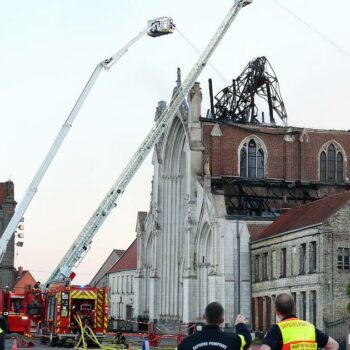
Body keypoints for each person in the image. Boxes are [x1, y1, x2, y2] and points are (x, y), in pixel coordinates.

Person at [261, 293, 339, 350]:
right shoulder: (310, 327)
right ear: (294, 309)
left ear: (277, 312)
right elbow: (334, 345)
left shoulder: (276, 329)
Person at [178, 302, 251, 350]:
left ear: (204, 317)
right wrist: (240, 324)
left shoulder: (186, 342)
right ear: (222, 320)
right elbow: (246, 338)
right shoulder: (234, 340)